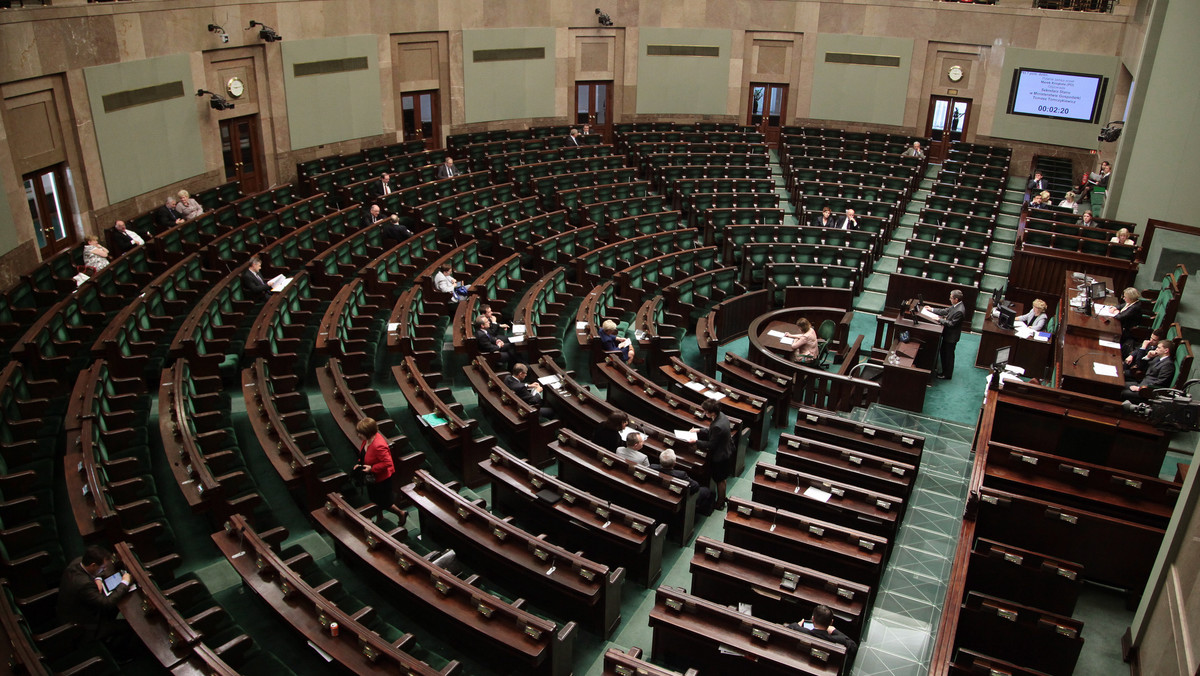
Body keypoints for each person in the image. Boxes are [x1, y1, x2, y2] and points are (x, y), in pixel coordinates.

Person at [57, 546, 133, 646]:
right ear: (93, 565)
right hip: (85, 625)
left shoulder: (78, 562)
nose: (105, 570)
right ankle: (118, 652)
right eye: (103, 568)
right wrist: (124, 583)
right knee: (128, 626)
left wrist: (98, 578)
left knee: (118, 604)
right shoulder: (84, 584)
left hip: (77, 609)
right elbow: (107, 603)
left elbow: (93, 574)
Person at [353, 418, 400, 523]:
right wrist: (359, 464)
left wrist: (372, 468)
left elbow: (387, 463)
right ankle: (380, 517)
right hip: (372, 478)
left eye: (360, 433)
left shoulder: (379, 445)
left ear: (368, 433)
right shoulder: (366, 440)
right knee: (374, 500)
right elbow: (364, 454)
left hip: (382, 479)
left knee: (385, 503)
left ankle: (401, 513)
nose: (358, 435)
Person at [691, 398, 732, 510]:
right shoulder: (720, 416)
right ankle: (721, 499)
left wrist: (695, 442)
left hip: (721, 456)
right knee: (721, 479)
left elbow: (711, 444)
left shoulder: (718, 425)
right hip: (724, 450)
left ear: (712, 412)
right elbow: (713, 432)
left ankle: (720, 502)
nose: (704, 413)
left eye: (706, 411)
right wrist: (699, 430)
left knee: (720, 480)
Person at [652, 449, 715, 516]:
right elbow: (696, 486)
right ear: (674, 463)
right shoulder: (681, 474)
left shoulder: (653, 467)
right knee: (707, 491)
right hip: (679, 496)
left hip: (659, 490)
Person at [786, 605, 858, 657]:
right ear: (831, 622)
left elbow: (789, 628)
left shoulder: (798, 629)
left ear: (813, 619)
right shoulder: (838, 640)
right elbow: (853, 646)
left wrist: (798, 625)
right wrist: (835, 631)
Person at [926, 289, 965, 380]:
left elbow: (951, 324)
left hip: (951, 337)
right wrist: (931, 309)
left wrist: (939, 319)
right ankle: (945, 371)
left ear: (956, 299)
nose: (949, 299)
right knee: (944, 353)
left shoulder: (959, 310)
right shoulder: (956, 306)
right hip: (948, 335)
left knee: (948, 355)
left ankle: (947, 374)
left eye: (951, 298)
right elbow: (945, 311)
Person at [1115, 287, 1143, 356]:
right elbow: (1123, 305)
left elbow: (1120, 317)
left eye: (1125, 297)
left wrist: (1116, 313)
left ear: (1130, 298)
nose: (1123, 298)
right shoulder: (1133, 302)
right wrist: (1116, 308)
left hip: (1127, 330)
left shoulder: (1135, 307)